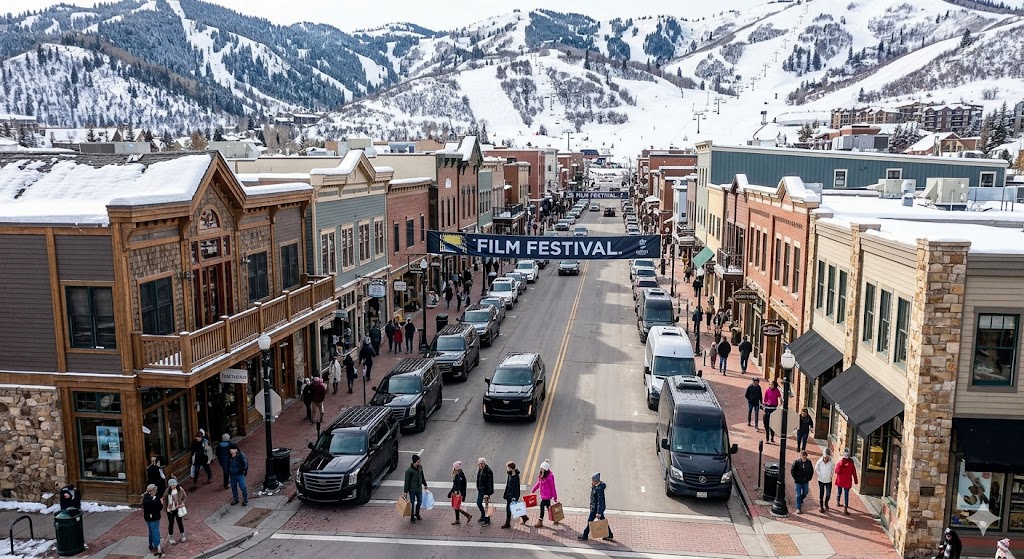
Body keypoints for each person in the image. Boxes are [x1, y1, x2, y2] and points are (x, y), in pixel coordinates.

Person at [579, 472, 613, 541]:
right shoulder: (596, 487)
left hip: (596, 509)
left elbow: (600, 501)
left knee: (590, 521)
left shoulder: (599, 489)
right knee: (602, 520)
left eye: (592, 480)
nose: (592, 482)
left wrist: (598, 512)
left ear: (595, 481)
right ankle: (609, 534)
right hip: (595, 508)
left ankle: (585, 535)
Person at [531, 460, 558, 527]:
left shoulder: (550, 476)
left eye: (543, 468)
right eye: (541, 468)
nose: (541, 469)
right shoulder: (541, 475)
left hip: (547, 495)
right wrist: (534, 489)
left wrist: (555, 497)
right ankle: (555, 518)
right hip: (543, 494)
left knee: (542, 506)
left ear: (546, 469)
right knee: (548, 507)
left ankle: (540, 521)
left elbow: (553, 486)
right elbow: (539, 483)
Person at [502, 461, 528, 528]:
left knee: (509, 508)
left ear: (511, 468)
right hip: (509, 494)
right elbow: (508, 485)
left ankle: (508, 523)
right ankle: (524, 517)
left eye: (508, 467)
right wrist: (506, 494)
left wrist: (515, 497)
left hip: (513, 495)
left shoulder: (516, 476)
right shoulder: (509, 474)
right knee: (515, 507)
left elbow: (517, 488)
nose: (507, 469)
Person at [162, 478, 187, 544]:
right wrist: (165, 507)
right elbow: (164, 499)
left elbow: (185, 497)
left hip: (178, 508)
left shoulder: (180, 490)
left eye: (174, 485)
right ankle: (171, 537)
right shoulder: (167, 491)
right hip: (170, 509)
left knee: (179, 522)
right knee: (171, 523)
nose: (173, 486)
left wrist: (182, 504)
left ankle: (183, 536)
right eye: (171, 485)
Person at [403, 454, 427, 522]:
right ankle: (412, 516)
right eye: (418, 462)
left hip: (419, 488)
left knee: (419, 502)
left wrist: (425, 484)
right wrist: (405, 491)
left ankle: (417, 514)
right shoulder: (409, 471)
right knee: (412, 503)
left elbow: (422, 476)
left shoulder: (420, 468)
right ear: (414, 462)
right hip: (412, 490)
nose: (419, 463)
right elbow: (406, 481)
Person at [834, 448, 858, 515]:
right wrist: (842, 465)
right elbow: (837, 471)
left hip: (844, 481)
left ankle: (844, 507)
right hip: (842, 480)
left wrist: (856, 480)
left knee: (844, 494)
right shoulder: (841, 462)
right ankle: (839, 503)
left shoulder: (849, 462)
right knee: (841, 493)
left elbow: (853, 471)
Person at [142, 483, 164, 557]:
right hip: (153, 518)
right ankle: (158, 547)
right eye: (155, 490)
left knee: (151, 531)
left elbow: (160, 506)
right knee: (155, 532)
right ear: (152, 490)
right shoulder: (147, 498)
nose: (156, 491)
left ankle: (151, 544)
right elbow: (150, 506)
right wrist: (154, 500)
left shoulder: (151, 497)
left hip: (151, 517)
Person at [791, 450, 814, 514]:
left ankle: (800, 499)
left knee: (805, 492)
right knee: (798, 495)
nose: (804, 457)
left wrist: (809, 478)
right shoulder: (797, 462)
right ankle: (798, 508)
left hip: (805, 481)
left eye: (805, 456)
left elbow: (811, 470)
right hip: (798, 481)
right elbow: (792, 470)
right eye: (802, 456)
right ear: (800, 456)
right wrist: (795, 478)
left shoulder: (809, 462)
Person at [476, 457, 494, 526]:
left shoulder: (488, 471)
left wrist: (487, 494)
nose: (480, 465)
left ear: (484, 463)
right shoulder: (480, 470)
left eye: (482, 464)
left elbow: (490, 483)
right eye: (479, 464)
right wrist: (478, 487)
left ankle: (487, 520)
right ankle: (483, 516)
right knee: (478, 503)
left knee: (487, 506)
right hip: (481, 490)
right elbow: (478, 480)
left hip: (486, 491)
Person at [815, 448, 834, 513]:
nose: (826, 459)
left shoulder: (832, 462)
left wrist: (831, 476)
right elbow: (816, 468)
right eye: (825, 457)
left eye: (827, 457)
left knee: (828, 494)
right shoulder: (820, 461)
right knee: (821, 493)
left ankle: (826, 502)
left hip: (828, 481)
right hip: (821, 480)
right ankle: (821, 506)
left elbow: (832, 470)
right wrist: (820, 474)